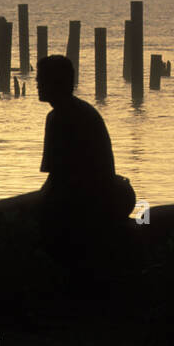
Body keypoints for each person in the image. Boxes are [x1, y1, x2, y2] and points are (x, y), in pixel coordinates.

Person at [36, 55, 129, 287]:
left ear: (59, 83)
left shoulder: (60, 118)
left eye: (42, 80)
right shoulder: (77, 112)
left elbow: (58, 179)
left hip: (83, 199)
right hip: (89, 194)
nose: (37, 84)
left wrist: (36, 202)